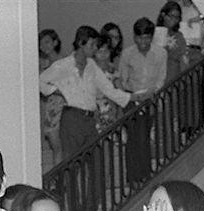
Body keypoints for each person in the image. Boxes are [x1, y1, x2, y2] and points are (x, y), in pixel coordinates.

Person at [40, 25, 143, 159]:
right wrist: (55, 90)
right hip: (71, 115)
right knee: (70, 159)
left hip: (89, 117)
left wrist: (134, 97)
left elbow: (109, 89)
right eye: (92, 44)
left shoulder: (92, 65)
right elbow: (39, 81)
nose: (95, 48)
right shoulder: (63, 65)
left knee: (94, 157)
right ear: (81, 43)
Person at [119, 18, 168, 184]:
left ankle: (145, 174)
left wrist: (152, 92)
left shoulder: (161, 53)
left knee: (145, 136)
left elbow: (162, 77)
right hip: (132, 99)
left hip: (151, 99)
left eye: (146, 38)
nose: (143, 42)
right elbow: (122, 80)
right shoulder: (127, 54)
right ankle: (132, 176)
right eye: (140, 38)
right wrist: (133, 94)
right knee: (133, 138)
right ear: (134, 37)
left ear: (152, 37)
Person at [39, 29, 66, 166]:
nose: (44, 46)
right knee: (55, 145)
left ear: (55, 42)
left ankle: (63, 180)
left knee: (61, 146)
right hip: (51, 107)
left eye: (47, 42)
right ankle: (59, 180)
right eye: (41, 43)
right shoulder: (42, 65)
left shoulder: (63, 63)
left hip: (63, 106)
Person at [156, 1, 189, 81]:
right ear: (163, 15)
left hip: (173, 78)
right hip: (156, 77)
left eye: (177, 17)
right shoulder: (155, 33)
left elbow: (184, 60)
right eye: (171, 16)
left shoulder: (179, 36)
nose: (174, 20)